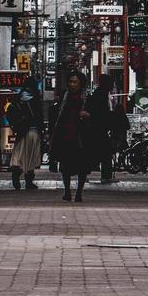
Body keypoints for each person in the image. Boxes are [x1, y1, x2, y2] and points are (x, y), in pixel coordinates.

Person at [50, 71, 91, 202]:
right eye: (71, 81)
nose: (72, 84)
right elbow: (57, 116)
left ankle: (79, 192)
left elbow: (95, 115)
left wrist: (87, 115)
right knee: (65, 166)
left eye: (75, 82)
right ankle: (67, 191)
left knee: (82, 167)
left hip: (81, 136)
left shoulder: (87, 98)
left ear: (81, 84)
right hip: (66, 135)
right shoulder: (64, 97)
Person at [6, 77, 42, 190]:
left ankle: (16, 176)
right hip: (33, 131)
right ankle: (28, 181)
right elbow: (39, 117)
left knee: (18, 154)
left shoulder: (18, 98)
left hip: (21, 131)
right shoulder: (36, 99)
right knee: (30, 157)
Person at [84, 74, 117, 183]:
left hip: (97, 128)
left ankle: (91, 173)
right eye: (111, 83)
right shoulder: (101, 95)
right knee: (104, 153)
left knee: (100, 153)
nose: (112, 86)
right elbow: (102, 113)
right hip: (99, 128)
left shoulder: (100, 93)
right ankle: (104, 175)